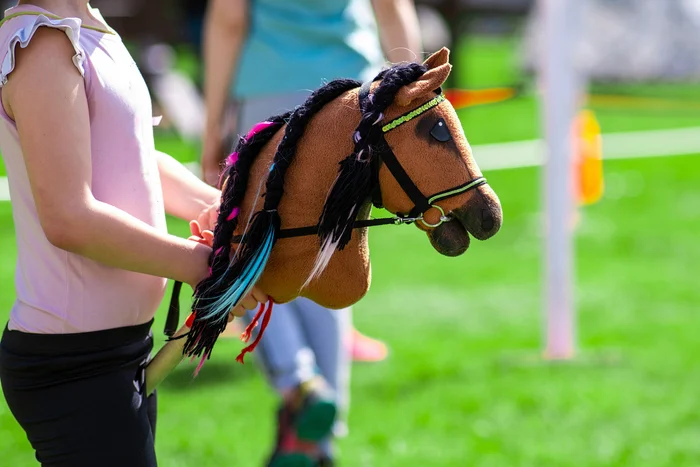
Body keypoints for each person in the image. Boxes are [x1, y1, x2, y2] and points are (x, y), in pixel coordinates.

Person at [0, 1, 266, 466]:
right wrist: (205, 268)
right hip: (74, 367)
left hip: (122, 350)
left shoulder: (92, 28)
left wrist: (224, 211)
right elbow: (68, 217)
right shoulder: (41, 43)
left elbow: (137, 159)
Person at [200, 0, 422, 465]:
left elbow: (229, 19)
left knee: (251, 255)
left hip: (267, 88)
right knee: (329, 253)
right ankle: (318, 440)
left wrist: (211, 127)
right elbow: (394, 11)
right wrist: (409, 104)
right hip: (352, 94)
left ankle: (299, 382)